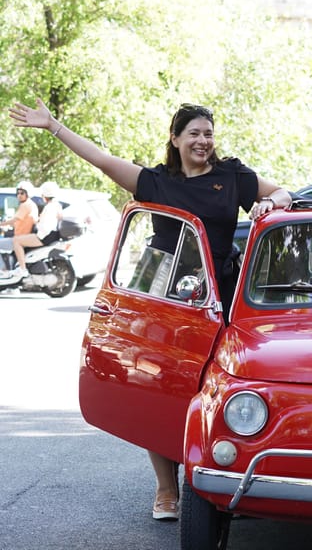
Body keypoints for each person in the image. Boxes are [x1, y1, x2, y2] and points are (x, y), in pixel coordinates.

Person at [8, 97, 292, 521]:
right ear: (175, 139)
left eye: (208, 133)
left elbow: (283, 192)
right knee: (162, 388)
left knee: (219, 388)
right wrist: (53, 126)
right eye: (194, 133)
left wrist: (273, 201)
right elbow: (103, 160)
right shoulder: (156, 182)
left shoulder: (233, 175)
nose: (203, 140)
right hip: (164, 296)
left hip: (221, 294)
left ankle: (219, 474)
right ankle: (166, 490)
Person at [4, 181, 62, 278]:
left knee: (16, 241)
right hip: (52, 235)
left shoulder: (48, 207)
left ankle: (22, 269)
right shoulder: (57, 205)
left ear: (44, 195)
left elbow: (44, 227)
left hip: (44, 236)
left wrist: (38, 226)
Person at [0, 181, 39, 271]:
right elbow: (20, 221)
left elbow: (15, 219)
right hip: (24, 237)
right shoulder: (32, 205)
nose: (19, 195)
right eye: (18, 193)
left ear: (28, 194)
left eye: (22, 193)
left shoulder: (25, 205)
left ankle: (3, 270)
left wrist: (1, 224)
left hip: (20, 238)